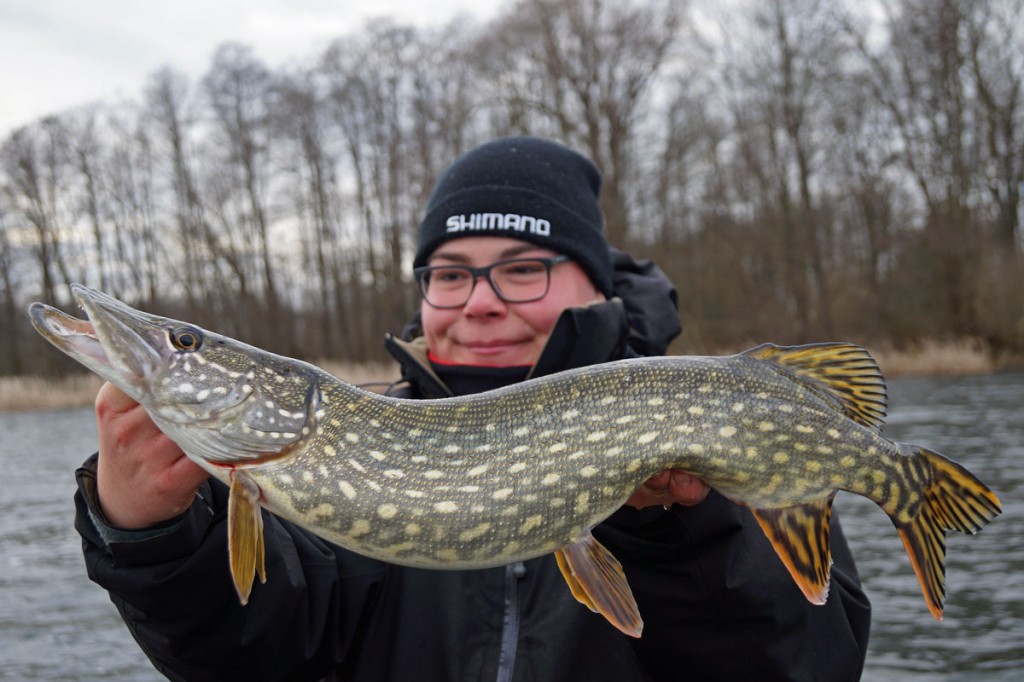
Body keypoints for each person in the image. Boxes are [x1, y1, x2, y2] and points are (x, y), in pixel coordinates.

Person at [74, 136, 870, 681]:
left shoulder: (716, 420)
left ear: (597, 285)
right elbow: (249, 656)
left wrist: (676, 532)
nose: (480, 302)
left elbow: (803, 665)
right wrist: (150, 537)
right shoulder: (326, 453)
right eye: (450, 274)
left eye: (522, 269)